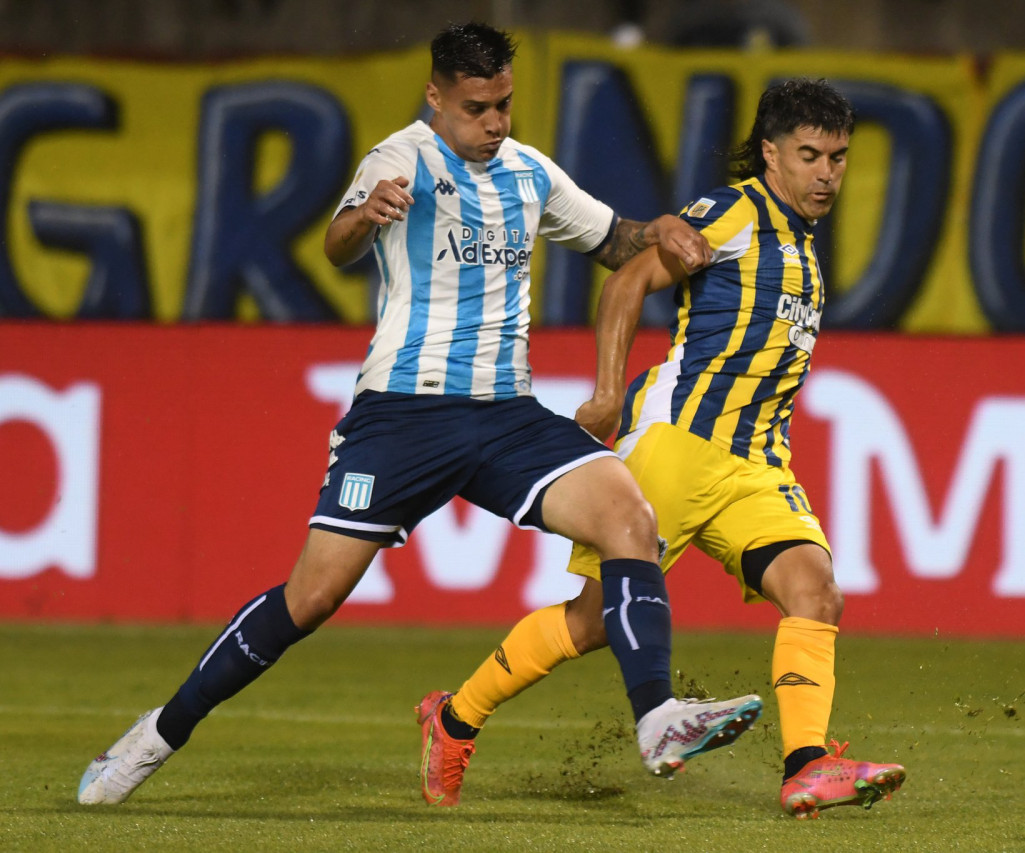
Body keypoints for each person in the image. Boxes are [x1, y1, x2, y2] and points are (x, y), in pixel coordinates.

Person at [76, 20, 763, 807]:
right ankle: (156, 734)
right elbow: (336, 243)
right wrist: (367, 214)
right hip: (403, 414)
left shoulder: (530, 172)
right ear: (436, 96)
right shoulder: (400, 157)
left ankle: (657, 718)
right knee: (313, 597)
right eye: (477, 107)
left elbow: (614, 240)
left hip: (506, 414)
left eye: (504, 103)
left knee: (629, 518)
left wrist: (662, 231)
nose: (496, 122)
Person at [422, 78, 907, 819]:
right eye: (809, 155)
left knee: (816, 591)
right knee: (590, 621)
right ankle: (453, 719)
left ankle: (807, 765)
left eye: (838, 157)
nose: (826, 173)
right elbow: (625, 285)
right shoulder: (735, 212)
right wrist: (609, 393)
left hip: (754, 463)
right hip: (679, 443)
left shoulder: (803, 247)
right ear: (771, 153)